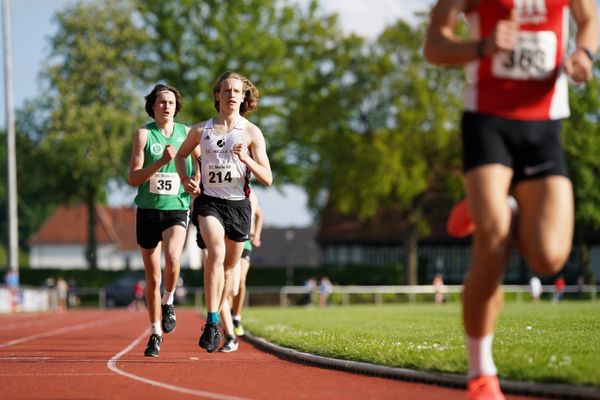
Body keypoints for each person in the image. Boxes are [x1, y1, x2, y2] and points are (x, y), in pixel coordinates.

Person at [424, 1, 598, 399]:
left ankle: (502, 204)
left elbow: (589, 20)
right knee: (493, 239)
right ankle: (482, 373)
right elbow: (434, 45)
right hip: (488, 122)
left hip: (544, 127)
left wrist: (583, 54)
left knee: (550, 257)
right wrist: (481, 46)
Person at [176, 71, 273, 353]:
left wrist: (246, 160)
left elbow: (267, 177)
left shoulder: (252, 132)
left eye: (237, 91)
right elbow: (182, 155)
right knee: (215, 253)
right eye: (227, 90)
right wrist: (187, 180)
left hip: (239, 207)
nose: (232, 95)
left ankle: (217, 313)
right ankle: (212, 320)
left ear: (244, 97)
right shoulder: (200, 131)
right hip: (209, 203)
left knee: (230, 269)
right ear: (217, 95)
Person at [128, 83, 200, 357]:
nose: (166, 106)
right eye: (161, 102)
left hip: (177, 208)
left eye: (170, 102)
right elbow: (133, 177)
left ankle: (169, 301)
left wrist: (196, 180)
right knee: (152, 278)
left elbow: (200, 166)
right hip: (148, 209)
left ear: (176, 106)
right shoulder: (144, 135)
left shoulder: (187, 133)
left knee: (173, 257)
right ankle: (155, 332)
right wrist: (159, 162)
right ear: (153, 106)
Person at [231, 190, 264, 336]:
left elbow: (259, 214)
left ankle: (236, 318)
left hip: (245, 242)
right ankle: (227, 314)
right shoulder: (229, 186)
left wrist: (256, 234)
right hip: (229, 240)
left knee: (241, 281)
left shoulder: (251, 193)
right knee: (229, 284)